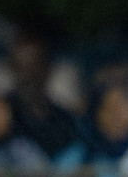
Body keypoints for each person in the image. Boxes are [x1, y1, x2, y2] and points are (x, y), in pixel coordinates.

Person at [7, 31, 81, 161]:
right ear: (12, 69)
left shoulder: (65, 119)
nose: (29, 75)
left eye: (35, 65)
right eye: (22, 66)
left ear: (47, 68)